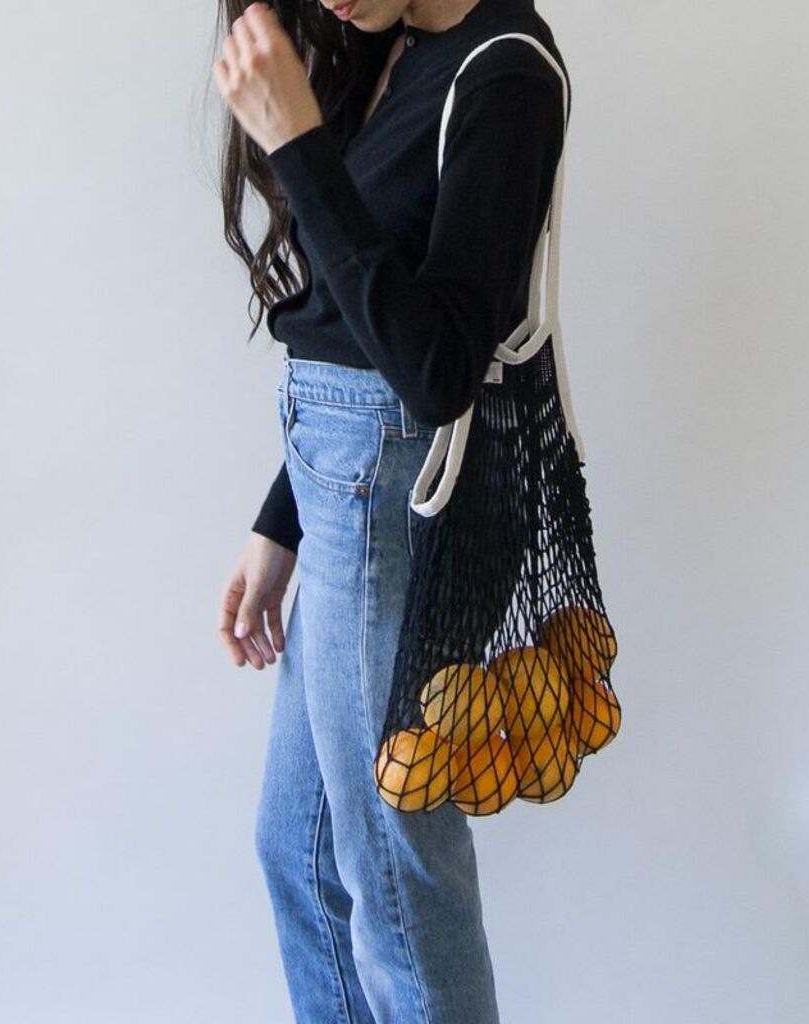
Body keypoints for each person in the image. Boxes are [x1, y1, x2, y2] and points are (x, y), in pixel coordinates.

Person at [213, 2, 568, 1020]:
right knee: (299, 850)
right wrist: (280, 521)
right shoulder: (392, 48)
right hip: (333, 483)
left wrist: (298, 143)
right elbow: (349, 323)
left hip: (381, 493)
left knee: (397, 880)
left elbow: (435, 372)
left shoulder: (505, 73)